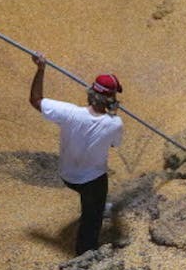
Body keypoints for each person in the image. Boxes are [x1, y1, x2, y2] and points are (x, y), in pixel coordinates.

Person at [29, 52, 123, 256]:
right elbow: (115, 145)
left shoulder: (69, 113)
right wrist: (113, 113)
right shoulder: (115, 124)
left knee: (90, 194)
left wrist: (40, 69)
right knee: (92, 217)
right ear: (111, 99)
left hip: (67, 176)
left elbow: (36, 100)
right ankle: (85, 254)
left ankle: (95, 206)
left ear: (91, 93)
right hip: (91, 181)